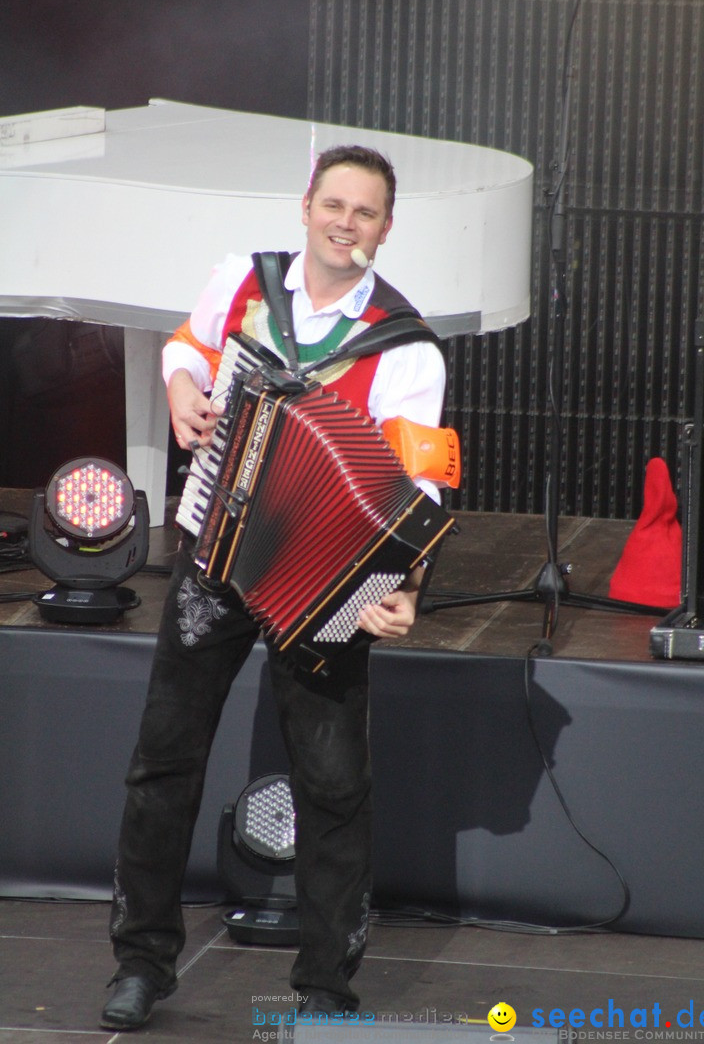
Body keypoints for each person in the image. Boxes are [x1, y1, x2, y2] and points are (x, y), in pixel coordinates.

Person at [100, 144, 447, 1031]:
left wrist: (403, 582)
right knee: (163, 764)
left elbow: (420, 489)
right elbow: (186, 345)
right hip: (215, 550)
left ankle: (325, 992)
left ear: (386, 229)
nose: (345, 223)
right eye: (333, 204)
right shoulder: (242, 282)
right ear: (305, 206)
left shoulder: (406, 348)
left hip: (326, 583)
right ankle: (141, 963)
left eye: (364, 212)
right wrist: (181, 388)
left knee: (332, 786)